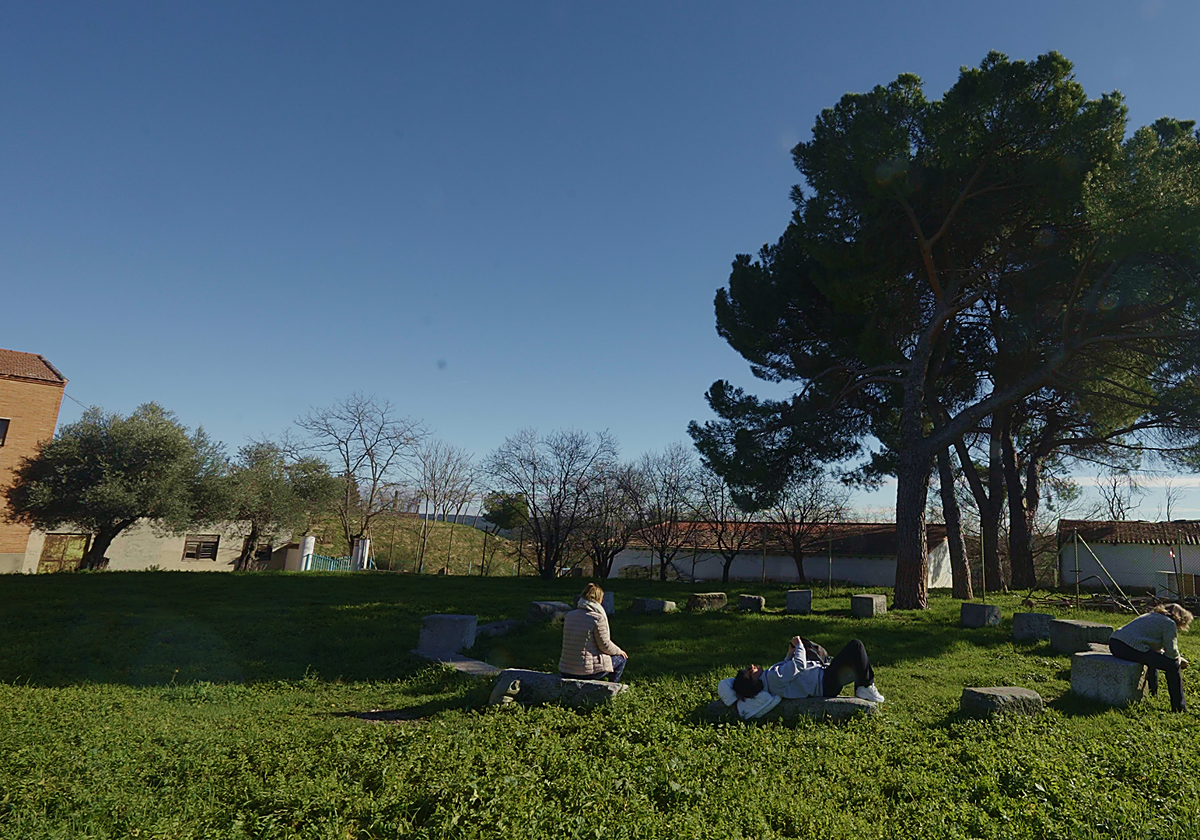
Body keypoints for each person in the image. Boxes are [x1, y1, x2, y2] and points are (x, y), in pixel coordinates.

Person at [726, 636, 884, 718]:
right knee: (855, 646)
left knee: (856, 663)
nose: (752, 666)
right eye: (750, 671)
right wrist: (799, 645)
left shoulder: (770, 678)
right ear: (753, 681)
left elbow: (787, 669)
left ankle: (863, 687)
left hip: (825, 680)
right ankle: (866, 687)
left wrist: (789, 654)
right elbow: (798, 666)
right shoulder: (772, 678)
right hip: (825, 682)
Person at [1108, 603, 1192, 712]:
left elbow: (1152, 646)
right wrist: (1180, 660)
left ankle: (1153, 693)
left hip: (1115, 643)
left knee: (1152, 657)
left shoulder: (1150, 615)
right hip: (1129, 647)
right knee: (1173, 666)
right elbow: (1171, 653)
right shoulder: (1169, 624)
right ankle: (1179, 707)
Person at [559, 583, 629, 683]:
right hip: (586, 672)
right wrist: (619, 651)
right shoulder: (597, 618)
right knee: (621, 658)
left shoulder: (570, 615)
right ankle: (611, 688)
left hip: (566, 670)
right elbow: (604, 645)